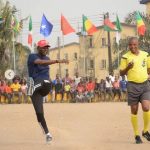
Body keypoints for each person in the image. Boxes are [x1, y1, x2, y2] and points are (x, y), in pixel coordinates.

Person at [27, 39, 68, 143]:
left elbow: (45, 63)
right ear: (38, 48)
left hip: (45, 85)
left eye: (47, 47)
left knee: (41, 81)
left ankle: (31, 88)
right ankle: (47, 134)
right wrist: (57, 61)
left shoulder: (47, 58)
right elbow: (39, 62)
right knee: (39, 114)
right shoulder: (32, 56)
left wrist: (55, 61)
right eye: (44, 47)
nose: (46, 49)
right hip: (36, 90)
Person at [119, 37, 150, 144]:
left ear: (138, 44)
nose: (132, 46)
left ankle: (145, 131)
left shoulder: (145, 54)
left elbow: (149, 68)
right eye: (130, 45)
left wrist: (148, 75)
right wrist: (128, 68)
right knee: (134, 110)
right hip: (132, 85)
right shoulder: (125, 57)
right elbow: (121, 73)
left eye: (134, 44)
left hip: (145, 85)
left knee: (146, 107)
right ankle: (137, 135)